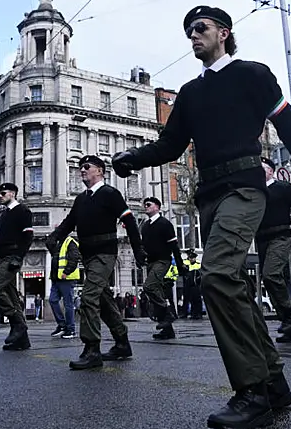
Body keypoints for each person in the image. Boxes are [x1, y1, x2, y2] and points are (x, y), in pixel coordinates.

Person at [112, 5, 291, 429]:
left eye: (200, 28)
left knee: (215, 276)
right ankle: (274, 382)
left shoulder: (253, 73)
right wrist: (130, 159)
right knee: (230, 285)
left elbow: (290, 130)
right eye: (188, 31)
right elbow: (170, 146)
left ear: (224, 33)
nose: (193, 36)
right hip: (208, 196)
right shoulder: (190, 92)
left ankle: (251, 392)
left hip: (245, 188)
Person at [49, 155, 145, 369]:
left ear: (100, 171)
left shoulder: (110, 194)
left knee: (88, 297)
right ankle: (122, 343)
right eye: (80, 167)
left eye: (86, 167)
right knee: (103, 301)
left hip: (105, 255)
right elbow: (69, 222)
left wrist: (138, 249)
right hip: (88, 255)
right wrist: (54, 237)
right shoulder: (81, 199)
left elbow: (129, 220)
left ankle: (92, 348)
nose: (81, 170)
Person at [256, 157, 291, 342]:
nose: (258, 171)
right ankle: (289, 325)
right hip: (261, 239)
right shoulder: (255, 192)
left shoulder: (283, 188)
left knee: (271, 274)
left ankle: (290, 317)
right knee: (268, 278)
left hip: (280, 236)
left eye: (262, 168)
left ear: (271, 171)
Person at [0, 183, 34, 351]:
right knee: (13, 299)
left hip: (12, 258)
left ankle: (17, 324)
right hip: (2, 257)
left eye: (3, 193)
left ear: (13, 194)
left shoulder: (22, 211)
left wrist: (19, 257)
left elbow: (28, 236)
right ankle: (22, 340)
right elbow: (0, 240)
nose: (0, 196)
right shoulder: (5, 214)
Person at [139, 196, 187, 341]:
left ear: (157, 207)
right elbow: (144, 246)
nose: (145, 206)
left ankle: (168, 314)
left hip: (163, 260)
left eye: (149, 204)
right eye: (145, 205)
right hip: (151, 262)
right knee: (157, 292)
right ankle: (167, 330)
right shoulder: (145, 226)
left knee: (149, 286)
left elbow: (174, 245)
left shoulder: (165, 224)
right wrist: (141, 259)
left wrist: (179, 264)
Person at [46, 234, 80, 338]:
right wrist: (52, 237)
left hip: (66, 279)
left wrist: (66, 272)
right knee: (52, 300)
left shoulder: (70, 241)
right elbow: (48, 245)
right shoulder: (58, 243)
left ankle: (71, 330)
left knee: (68, 304)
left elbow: (74, 258)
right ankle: (62, 325)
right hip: (56, 279)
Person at [183, 251, 203, 319]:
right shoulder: (186, 264)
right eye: (190, 258)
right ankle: (191, 313)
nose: (191, 259)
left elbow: (200, 274)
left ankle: (198, 313)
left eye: (192, 258)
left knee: (197, 300)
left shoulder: (198, 264)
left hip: (196, 285)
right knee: (189, 300)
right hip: (188, 285)